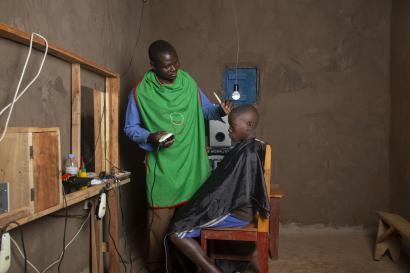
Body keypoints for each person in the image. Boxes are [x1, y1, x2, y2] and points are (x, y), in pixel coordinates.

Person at [124, 40, 233, 273]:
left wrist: (220, 110)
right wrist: (151, 136)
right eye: (167, 66)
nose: (174, 69)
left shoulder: (188, 82)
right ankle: (156, 267)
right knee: (158, 229)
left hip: (192, 165)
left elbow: (205, 110)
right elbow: (130, 128)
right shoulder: (140, 92)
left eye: (176, 63)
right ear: (153, 65)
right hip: (163, 168)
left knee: (192, 224)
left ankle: (192, 266)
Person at [165, 104, 270, 273]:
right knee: (185, 213)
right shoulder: (254, 146)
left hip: (237, 212)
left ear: (249, 125)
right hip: (242, 208)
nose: (228, 130)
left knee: (176, 232)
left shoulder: (246, 153)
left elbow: (228, 192)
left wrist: (204, 203)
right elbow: (229, 186)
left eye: (232, 126)